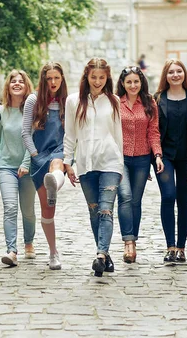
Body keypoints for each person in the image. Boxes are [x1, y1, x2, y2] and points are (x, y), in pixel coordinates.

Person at [64, 58, 123, 277]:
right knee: (95, 212)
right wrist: (67, 163)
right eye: (94, 77)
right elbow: (69, 135)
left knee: (106, 210)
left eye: (102, 77)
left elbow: (118, 135)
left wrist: (121, 167)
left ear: (107, 77)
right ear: (86, 77)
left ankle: (100, 255)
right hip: (85, 164)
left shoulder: (114, 101)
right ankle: (105, 256)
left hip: (110, 162)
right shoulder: (73, 101)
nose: (98, 81)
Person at [0, 70, 36, 267]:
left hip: (28, 167)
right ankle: (11, 250)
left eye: (21, 82)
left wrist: (26, 164)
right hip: (6, 167)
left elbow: (31, 139)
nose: (17, 84)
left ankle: (29, 243)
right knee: (10, 208)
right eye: (13, 81)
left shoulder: (32, 111)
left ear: (26, 86)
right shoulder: (1, 112)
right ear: (8, 86)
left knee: (28, 210)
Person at [22, 62, 69, 270]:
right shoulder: (33, 100)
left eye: (56, 78)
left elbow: (72, 133)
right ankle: (53, 252)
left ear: (62, 79)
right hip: (39, 155)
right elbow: (25, 132)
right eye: (49, 78)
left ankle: (55, 181)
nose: (52, 82)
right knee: (47, 210)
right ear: (43, 80)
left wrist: (70, 159)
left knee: (56, 165)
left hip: (59, 151)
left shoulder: (68, 101)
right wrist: (34, 155)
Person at [116, 65, 163, 263]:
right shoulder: (115, 103)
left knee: (136, 201)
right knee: (125, 196)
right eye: (129, 82)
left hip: (143, 158)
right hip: (120, 158)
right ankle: (128, 242)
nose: (133, 85)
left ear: (141, 82)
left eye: (136, 81)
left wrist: (157, 155)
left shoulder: (149, 102)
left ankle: (133, 238)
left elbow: (153, 131)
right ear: (123, 84)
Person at [154, 59, 187, 264]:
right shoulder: (158, 99)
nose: (175, 75)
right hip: (165, 156)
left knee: (184, 200)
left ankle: (181, 248)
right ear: (166, 76)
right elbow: (153, 129)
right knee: (168, 196)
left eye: (179, 71)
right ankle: (170, 246)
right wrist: (156, 155)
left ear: (184, 74)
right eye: (171, 72)